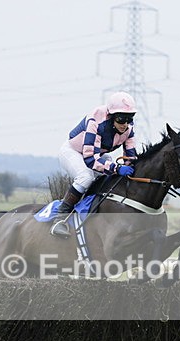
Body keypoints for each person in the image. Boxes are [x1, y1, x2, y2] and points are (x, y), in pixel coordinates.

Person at [50, 91, 139, 237]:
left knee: (110, 177)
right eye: (121, 119)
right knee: (86, 177)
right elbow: (90, 159)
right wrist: (117, 168)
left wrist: (131, 168)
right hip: (73, 152)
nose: (125, 124)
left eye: (129, 119)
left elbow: (131, 158)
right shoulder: (96, 121)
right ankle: (59, 219)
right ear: (111, 116)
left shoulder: (128, 129)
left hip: (97, 154)